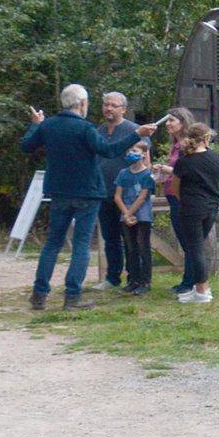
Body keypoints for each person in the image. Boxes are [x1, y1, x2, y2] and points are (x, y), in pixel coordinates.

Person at [19, 84, 157, 311]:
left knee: (52, 244)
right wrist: (136, 134)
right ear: (82, 104)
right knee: (81, 246)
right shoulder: (85, 128)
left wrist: (35, 126)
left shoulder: (49, 125)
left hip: (59, 192)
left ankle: (39, 294)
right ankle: (72, 297)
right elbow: (110, 151)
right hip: (87, 193)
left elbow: (26, 147)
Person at [166, 122, 219, 305]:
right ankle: (199, 288)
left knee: (195, 249)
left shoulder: (184, 162)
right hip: (212, 207)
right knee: (198, 248)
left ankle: (201, 290)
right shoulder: (216, 158)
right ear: (206, 138)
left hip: (191, 208)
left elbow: (175, 188)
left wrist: (186, 201)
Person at [95, 91, 140, 290]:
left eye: (113, 105)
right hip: (103, 191)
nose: (109, 108)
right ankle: (112, 277)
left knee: (130, 238)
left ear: (124, 109)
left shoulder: (134, 130)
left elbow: (143, 159)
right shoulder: (99, 130)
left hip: (127, 195)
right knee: (109, 237)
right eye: (106, 104)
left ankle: (134, 277)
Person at [153, 107, 196, 294]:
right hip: (172, 194)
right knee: (185, 241)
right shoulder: (175, 144)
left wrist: (165, 169)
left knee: (189, 242)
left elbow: (188, 170)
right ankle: (189, 281)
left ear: (183, 122)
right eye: (167, 120)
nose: (168, 124)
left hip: (183, 197)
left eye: (172, 120)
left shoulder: (188, 145)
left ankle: (190, 283)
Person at [112, 141, 158, 295]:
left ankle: (145, 282)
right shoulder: (123, 174)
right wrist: (126, 214)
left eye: (135, 150)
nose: (131, 153)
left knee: (143, 248)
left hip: (142, 215)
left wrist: (129, 213)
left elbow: (142, 197)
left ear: (144, 153)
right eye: (129, 151)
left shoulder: (147, 175)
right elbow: (118, 196)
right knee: (130, 249)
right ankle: (133, 280)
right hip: (125, 215)